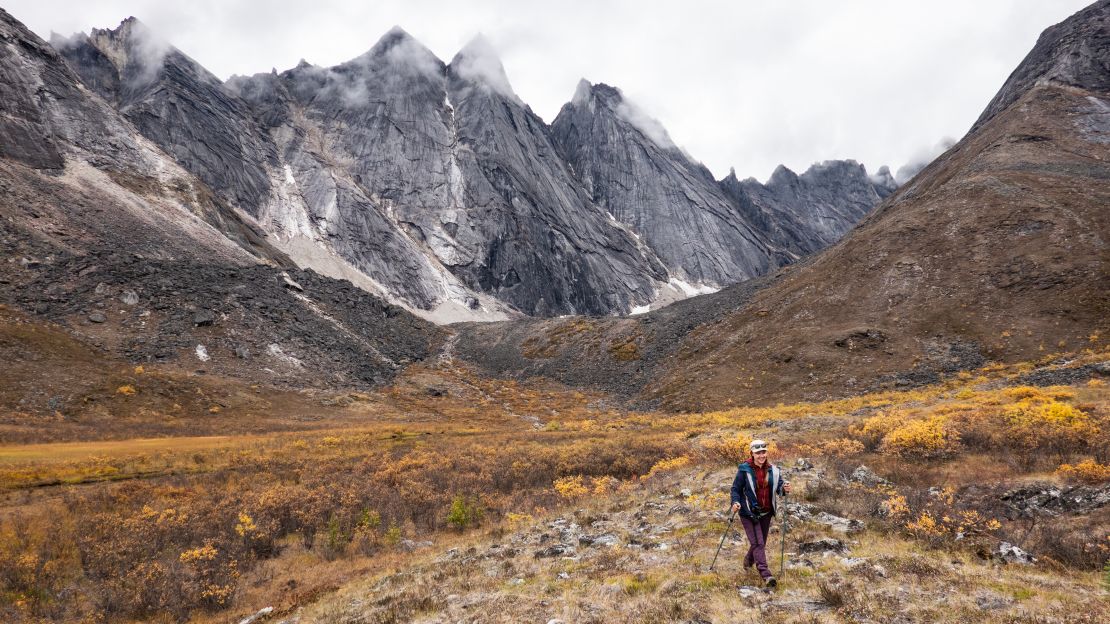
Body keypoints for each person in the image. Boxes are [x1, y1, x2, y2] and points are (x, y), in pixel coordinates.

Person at [730, 438, 791, 588]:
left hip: (766, 512)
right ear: (752, 453)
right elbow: (735, 490)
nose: (761, 455)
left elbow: (779, 489)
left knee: (759, 542)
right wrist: (735, 502)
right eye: (758, 453)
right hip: (748, 512)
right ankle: (766, 574)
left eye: (763, 452)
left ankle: (748, 561)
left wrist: (784, 489)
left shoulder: (774, 471)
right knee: (758, 543)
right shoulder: (744, 470)